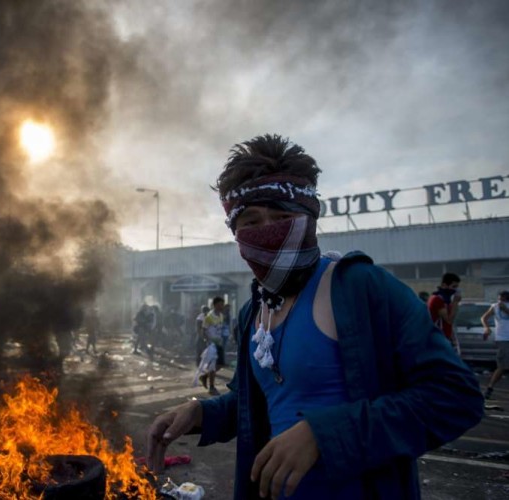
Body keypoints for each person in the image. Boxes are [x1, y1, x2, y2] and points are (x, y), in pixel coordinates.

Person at [146, 133, 483, 500]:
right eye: (251, 221)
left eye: (282, 216)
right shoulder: (253, 311)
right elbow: (261, 402)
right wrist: (200, 414)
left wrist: (324, 435)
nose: (267, 230)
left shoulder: (359, 287)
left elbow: (456, 396)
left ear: (310, 219)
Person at [481, 290, 509, 400]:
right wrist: (486, 327)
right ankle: (489, 388)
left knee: (503, 366)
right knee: (502, 366)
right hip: (503, 338)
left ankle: (489, 388)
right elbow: (484, 318)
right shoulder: (495, 306)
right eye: (499, 298)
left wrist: (505, 309)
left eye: (503, 298)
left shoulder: (504, 307)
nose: (500, 301)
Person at [196, 296, 226, 395]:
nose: (221, 306)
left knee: (221, 364)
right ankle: (212, 387)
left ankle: (204, 377)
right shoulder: (209, 317)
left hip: (219, 342)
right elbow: (203, 330)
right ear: (214, 305)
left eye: (222, 304)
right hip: (211, 344)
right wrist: (207, 341)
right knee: (212, 366)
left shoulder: (221, 315)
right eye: (220, 304)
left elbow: (219, 329)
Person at [427, 273, 462, 348]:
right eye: (454, 287)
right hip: (438, 340)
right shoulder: (438, 299)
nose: (455, 290)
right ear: (444, 285)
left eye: (457, 287)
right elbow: (449, 320)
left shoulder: (445, 300)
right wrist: (455, 302)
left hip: (443, 339)